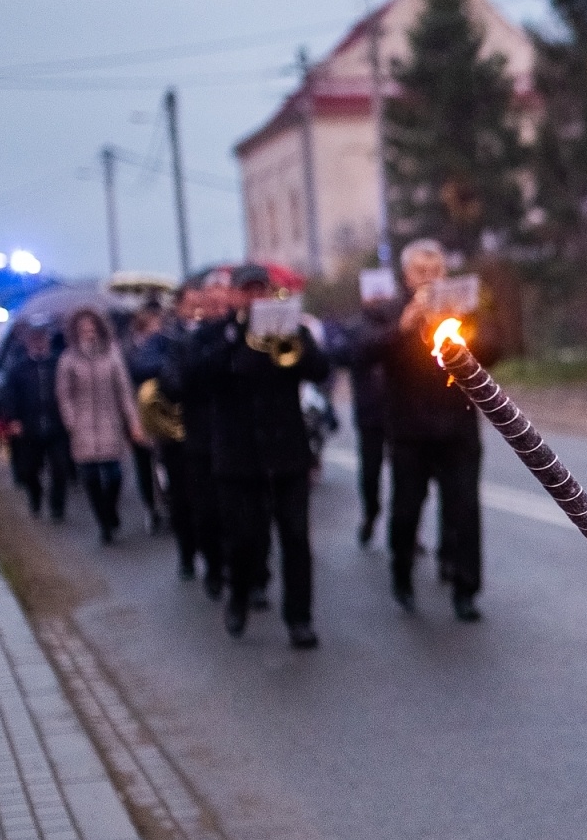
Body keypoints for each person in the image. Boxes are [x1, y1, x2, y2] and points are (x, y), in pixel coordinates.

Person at [190, 265, 329, 649]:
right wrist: (237, 342)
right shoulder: (216, 334)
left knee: (296, 539)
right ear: (234, 295)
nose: (253, 298)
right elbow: (195, 377)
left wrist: (292, 341)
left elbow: (321, 369)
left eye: (259, 291)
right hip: (237, 457)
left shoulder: (290, 328)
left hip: (287, 452)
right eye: (246, 291)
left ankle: (300, 619)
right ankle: (238, 598)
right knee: (243, 539)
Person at [360, 238, 498, 621]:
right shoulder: (388, 310)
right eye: (421, 271)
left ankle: (465, 589)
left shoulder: (464, 309)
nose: (430, 278)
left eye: (436, 270)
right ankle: (401, 575)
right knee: (406, 512)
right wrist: (403, 326)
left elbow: (495, 347)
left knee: (465, 511)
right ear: (406, 275)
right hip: (408, 431)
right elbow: (360, 351)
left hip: (458, 427)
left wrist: (463, 326)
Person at [55, 308, 145, 544]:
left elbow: (124, 390)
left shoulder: (112, 354)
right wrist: (71, 420)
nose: (88, 331)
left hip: (110, 421)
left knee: (114, 474)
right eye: (83, 327)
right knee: (91, 477)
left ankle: (111, 509)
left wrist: (132, 422)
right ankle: (103, 521)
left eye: (92, 326)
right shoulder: (68, 359)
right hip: (83, 425)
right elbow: (64, 394)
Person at [161, 281, 227, 597]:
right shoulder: (178, 340)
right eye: (198, 304)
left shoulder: (232, 334)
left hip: (231, 436)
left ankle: (245, 572)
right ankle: (208, 564)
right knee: (201, 509)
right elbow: (172, 383)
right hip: (196, 437)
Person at [331, 284, 395, 546]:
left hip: (397, 412)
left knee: (407, 476)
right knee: (370, 471)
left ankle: (406, 533)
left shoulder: (400, 322)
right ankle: (371, 513)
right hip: (370, 412)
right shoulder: (355, 326)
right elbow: (341, 354)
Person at [2, 322, 70, 521]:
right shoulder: (18, 368)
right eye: (35, 339)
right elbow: (9, 396)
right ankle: (36, 495)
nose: (39, 343)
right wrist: (13, 419)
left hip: (56, 424)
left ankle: (57, 506)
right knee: (29, 470)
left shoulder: (58, 363)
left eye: (42, 338)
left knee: (60, 468)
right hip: (29, 426)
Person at [123, 301, 168, 534]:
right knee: (143, 465)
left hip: (163, 412)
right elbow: (125, 388)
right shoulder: (129, 351)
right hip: (140, 413)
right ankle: (151, 507)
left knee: (163, 463)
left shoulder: (165, 345)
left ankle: (166, 503)